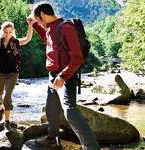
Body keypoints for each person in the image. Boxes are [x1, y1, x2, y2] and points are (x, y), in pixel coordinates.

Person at [28, 2, 100, 150]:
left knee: (70, 111)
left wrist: (63, 76)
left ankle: (91, 147)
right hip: (52, 76)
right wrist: (34, 25)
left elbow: (77, 58)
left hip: (66, 75)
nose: (38, 23)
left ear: (42, 15)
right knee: (51, 109)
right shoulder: (49, 29)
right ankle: (52, 139)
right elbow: (47, 39)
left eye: (38, 19)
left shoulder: (66, 28)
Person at [0, 19, 34, 130]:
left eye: (10, 32)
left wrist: (30, 26)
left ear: (13, 31)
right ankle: (1, 109)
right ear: (2, 31)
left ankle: (7, 121)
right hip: (0, 72)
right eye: (6, 32)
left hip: (13, 73)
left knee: (8, 96)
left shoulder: (15, 42)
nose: (8, 34)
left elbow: (28, 39)